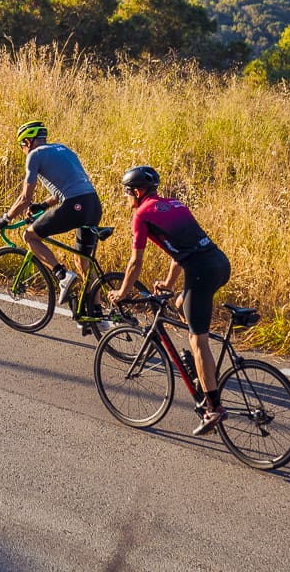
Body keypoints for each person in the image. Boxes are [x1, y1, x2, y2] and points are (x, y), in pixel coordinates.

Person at [108, 165, 231, 434]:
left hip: (200, 271)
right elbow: (181, 249)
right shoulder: (175, 204)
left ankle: (213, 407)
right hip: (219, 263)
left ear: (137, 192)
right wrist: (169, 284)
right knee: (178, 305)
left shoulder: (141, 214)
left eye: (127, 193)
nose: (126, 198)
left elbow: (135, 263)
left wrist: (123, 292)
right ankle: (204, 372)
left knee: (197, 340)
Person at [0, 120, 103, 319]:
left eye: (22, 146)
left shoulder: (34, 155)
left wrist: (5, 218)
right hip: (93, 204)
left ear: (27, 141)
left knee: (30, 236)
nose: (23, 150)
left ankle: (62, 275)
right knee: (83, 261)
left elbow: (24, 198)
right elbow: (69, 185)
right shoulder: (64, 149)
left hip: (74, 205)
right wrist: (44, 205)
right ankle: (98, 315)